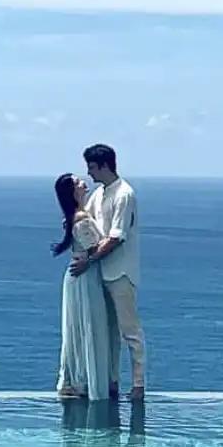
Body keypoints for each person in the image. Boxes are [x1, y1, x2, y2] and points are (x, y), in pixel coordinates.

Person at [69, 144, 146, 401]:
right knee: (107, 331)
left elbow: (116, 237)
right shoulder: (99, 194)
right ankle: (111, 381)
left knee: (129, 330)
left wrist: (89, 261)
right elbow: (86, 223)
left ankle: (138, 384)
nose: (89, 173)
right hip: (100, 273)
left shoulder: (124, 194)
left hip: (120, 272)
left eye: (92, 167)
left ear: (104, 166)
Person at [51, 173, 112, 399]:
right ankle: (83, 382)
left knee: (77, 328)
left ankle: (75, 380)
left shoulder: (76, 216)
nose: (83, 183)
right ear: (73, 191)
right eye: (77, 183)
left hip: (79, 276)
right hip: (84, 277)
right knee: (89, 326)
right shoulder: (81, 218)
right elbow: (96, 247)